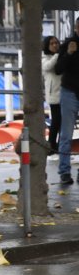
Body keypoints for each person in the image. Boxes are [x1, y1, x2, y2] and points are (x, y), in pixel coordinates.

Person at [54, 33, 79, 187]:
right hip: (69, 91)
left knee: (66, 134)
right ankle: (64, 172)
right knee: (66, 134)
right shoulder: (69, 43)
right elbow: (58, 69)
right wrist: (69, 53)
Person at [42, 35, 63, 154]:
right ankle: (51, 146)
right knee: (56, 121)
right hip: (53, 94)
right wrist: (57, 55)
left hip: (65, 92)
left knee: (63, 123)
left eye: (56, 43)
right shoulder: (44, 57)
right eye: (52, 43)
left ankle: (61, 146)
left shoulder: (61, 56)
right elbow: (48, 66)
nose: (55, 45)